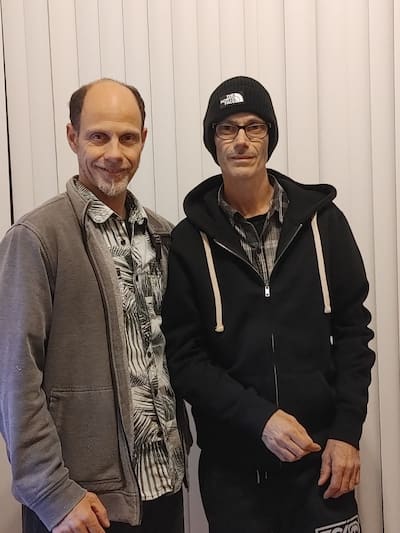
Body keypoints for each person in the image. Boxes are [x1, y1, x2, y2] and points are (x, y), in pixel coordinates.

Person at [161, 76, 375, 533]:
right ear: (212, 141)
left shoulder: (324, 223)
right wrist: (261, 420)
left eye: (254, 126)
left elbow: (355, 334)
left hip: (324, 466)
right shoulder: (186, 242)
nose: (241, 140)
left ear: (269, 138)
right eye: (227, 128)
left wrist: (346, 433)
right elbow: (184, 359)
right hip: (234, 476)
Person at [0, 78, 190, 533]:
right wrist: (51, 493)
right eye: (98, 136)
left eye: (127, 137)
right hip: (80, 504)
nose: (114, 153)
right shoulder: (37, 238)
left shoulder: (163, 235)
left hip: (162, 488)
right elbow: (14, 376)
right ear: (73, 137)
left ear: (144, 139)